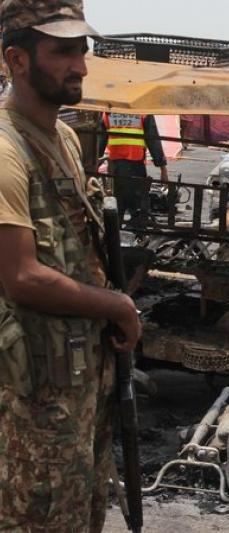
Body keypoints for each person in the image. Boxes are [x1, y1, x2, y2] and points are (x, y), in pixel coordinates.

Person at [0, 1, 141, 531]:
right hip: (32, 394)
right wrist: (118, 305)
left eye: (82, 49)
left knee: (82, 513)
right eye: (62, 51)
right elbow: (21, 276)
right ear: (15, 58)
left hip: (80, 379)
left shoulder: (61, 136)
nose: (80, 64)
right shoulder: (5, 148)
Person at [99, 112, 168, 221]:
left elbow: (100, 141)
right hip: (135, 162)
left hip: (116, 164)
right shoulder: (142, 111)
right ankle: (139, 233)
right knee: (138, 202)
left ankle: (115, 232)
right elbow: (153, 140)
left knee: (117, 201)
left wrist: (93, 163)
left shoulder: (108, 112)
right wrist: (163, 169)